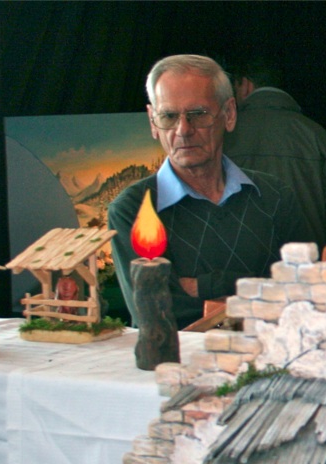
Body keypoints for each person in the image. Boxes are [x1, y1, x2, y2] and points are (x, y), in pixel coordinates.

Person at [109, 54, 305, 328]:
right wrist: (260, 292)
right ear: (153, 122)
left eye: (198, 114)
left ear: (229, 114)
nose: (183, 130)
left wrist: (203, 287)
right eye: (169, 116)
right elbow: (160, 315)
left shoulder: (275, 196)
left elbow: (303, 296)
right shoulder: (133, 209)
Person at [225, 58, 326, 256]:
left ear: (245, 85)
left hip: (241, 259)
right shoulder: (315, 134)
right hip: (306, 259)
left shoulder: (224, 135)